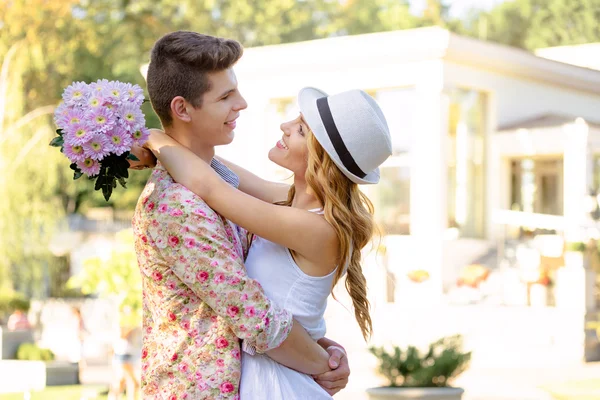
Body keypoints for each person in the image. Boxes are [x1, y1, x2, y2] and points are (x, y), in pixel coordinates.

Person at [131, 31, 349, 399]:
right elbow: (257, 318)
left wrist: (320, 345)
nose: (243, 104)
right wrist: (323, 364)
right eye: (226, 96)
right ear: (182, 109)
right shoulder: (178, 205)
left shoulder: (218, 189)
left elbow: (259, 300)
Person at [144, 86, 392, 399]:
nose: (285, 127)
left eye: (300, 129)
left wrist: (152, 136)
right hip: (274, 370)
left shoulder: (315, 228)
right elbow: (212, 168)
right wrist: (164, 148)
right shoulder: (290, 204)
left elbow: (211, 188)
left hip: (279, 382)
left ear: (321, 158)